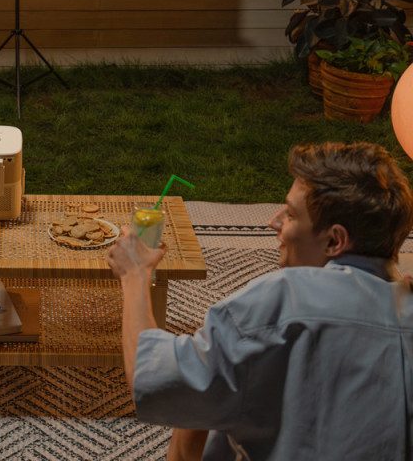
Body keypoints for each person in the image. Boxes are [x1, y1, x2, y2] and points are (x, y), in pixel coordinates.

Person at [107, 141, 413, 461]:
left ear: (334, 240)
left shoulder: (283, 301)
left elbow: (154, 378)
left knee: (202, 392)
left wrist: (135, 274)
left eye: (291, 214)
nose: (273, 222)